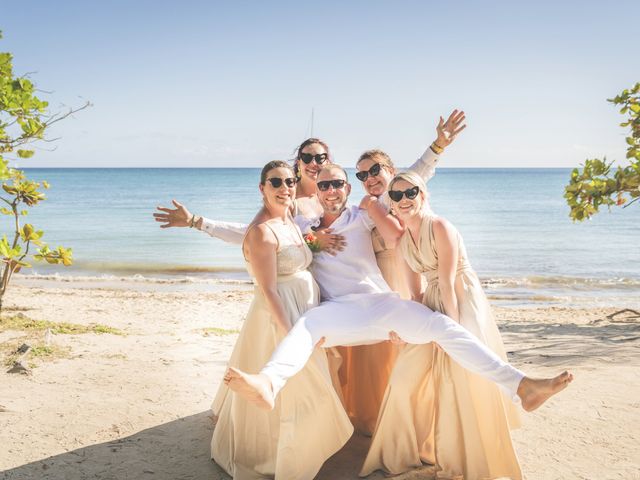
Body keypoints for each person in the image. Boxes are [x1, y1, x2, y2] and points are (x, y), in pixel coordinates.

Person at [225, 164, 573, 416]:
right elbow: (253, 229)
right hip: (337, 311)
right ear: (315, 191)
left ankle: (521, 386)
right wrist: (199, 222)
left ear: (348, 189)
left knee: (442, 326)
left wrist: (380, 203)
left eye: (339, 184)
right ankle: (268, 384)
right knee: (305, 325)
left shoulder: (362, 216)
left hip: (381, 305)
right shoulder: (299, 224)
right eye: (325, 185)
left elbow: (398, 230)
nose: (332, 190)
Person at [193, 161, 352, 479]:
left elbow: (299, 252)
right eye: (276, 182)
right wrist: (290, 333)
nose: (285, 188)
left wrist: (318, 241)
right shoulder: (262, 232)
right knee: (298, 388)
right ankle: (277, 457)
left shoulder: (289, 220)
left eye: (290, 181)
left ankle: (305, 450)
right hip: (279, 316)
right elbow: (267, 290)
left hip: (303, 308)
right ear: (262, 187)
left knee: (307, 385)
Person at [364, 170, 525, 479]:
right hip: (433, 303)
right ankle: (399, 455)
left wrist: (451, 333)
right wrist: (412, 329)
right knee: (404, 376)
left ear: (423, 195)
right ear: (391, 204)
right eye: (396, 196)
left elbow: (449, 283)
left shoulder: (439, 225)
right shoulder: (401, 241)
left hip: (462, 299)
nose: (404, 199)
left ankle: (474, 463)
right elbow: (414, 293)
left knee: (463, 381)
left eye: (410, 192)